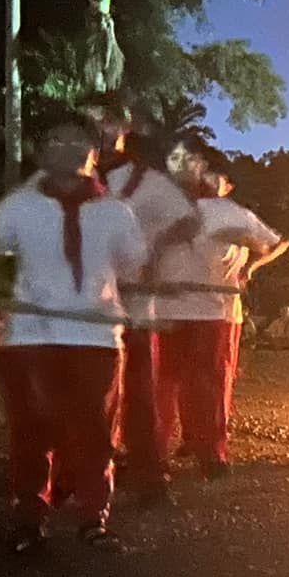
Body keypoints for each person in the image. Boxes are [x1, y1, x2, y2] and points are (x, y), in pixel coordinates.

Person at [0, 121, 147, 553]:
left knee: (95, 432)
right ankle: (29, 518)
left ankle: (94, 518)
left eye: (80, 142)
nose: (69, 148)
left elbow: (133, 267)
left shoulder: (117, 212)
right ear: (42, 152)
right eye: (57, 139)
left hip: (95, 338)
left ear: (96, 155)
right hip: (31, 338)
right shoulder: (19, 207)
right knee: (31, 430)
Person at [153, 143, 289, 481]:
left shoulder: (233, 213)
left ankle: (210, 452)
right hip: (170, 307)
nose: (205, 178)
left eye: (212, 173)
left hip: (215, 310)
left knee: (209, 384)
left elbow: (275, 242)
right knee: (164, 383)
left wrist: (251, 269)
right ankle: (155, 453)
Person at [98, 122, 201, 506]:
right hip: (86, 311)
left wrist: (155, 251)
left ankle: (148, 476)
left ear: (124, 132)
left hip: (135, 311)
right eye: (91, 121)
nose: (100, 131)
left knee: (139, 397)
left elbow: (189, 220)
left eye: (108, 122)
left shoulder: (146, 181)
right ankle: (89, 474)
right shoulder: (78, 179)